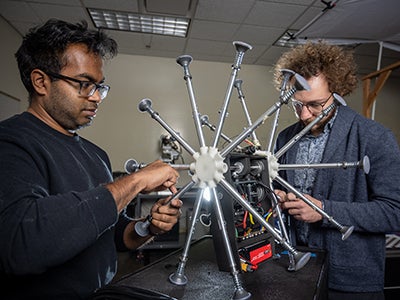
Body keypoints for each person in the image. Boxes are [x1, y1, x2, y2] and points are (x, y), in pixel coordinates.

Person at [0, 19, 182, 299]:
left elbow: (114, 234)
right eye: (84, 84)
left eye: (100, 87)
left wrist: (148, 226)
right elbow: (24, 243)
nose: (97, 97)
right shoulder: (11, 141)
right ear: (41, 81)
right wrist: (134, 181)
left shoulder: (96, 155)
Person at [273, 42, 400, 300]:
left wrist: (323, 211)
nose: (305, 115)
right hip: (299, 271)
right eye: (297, 105)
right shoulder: (286, 138)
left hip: (352, 282)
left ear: (338, 90)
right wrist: (276, 199)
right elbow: (282, 193)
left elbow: (394, 212)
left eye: (316, 105)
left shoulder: (373, 137)